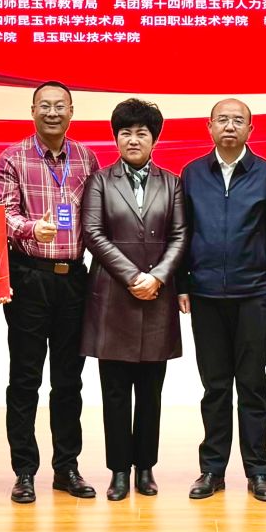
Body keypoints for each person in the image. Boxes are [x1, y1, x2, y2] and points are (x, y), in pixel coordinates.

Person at [0, 80, 103, 502]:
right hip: (29, 277)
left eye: (60, 106)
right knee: (25, 379)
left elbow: (97, 215)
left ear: (72, 111)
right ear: (32, 111)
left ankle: (66, 468)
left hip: (74, 278)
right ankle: (24, 471)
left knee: (69, 380)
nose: (52, 112)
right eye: (45, 106)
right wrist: (28, 228)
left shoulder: (87, 158)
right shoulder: (13, 157)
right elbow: (2, 214)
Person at [179, 98, 266, 502]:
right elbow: (183, 232)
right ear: (209, 127)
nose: (229, 126)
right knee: (215, 388)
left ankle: (258, 472)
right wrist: (181, 284)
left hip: (254, 295)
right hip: (205, 295)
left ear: (250, 129)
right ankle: (212, 470)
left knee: (253, 386)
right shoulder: (192, 174)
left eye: (237, 120)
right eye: (222, 119)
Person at [80, 99, 187, 500]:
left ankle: (145, 468)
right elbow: (93, 233)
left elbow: (180, 235)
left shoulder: (172, 183)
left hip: (156, 298)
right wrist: (132, 276)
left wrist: (157, 277)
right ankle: (119, 472)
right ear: (116, 138)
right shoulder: (100, 181)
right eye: (125, 132)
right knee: (114, 392)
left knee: (150, 391)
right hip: (112, 297)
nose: (133, 139)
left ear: (154, 139)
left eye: (142, 132)